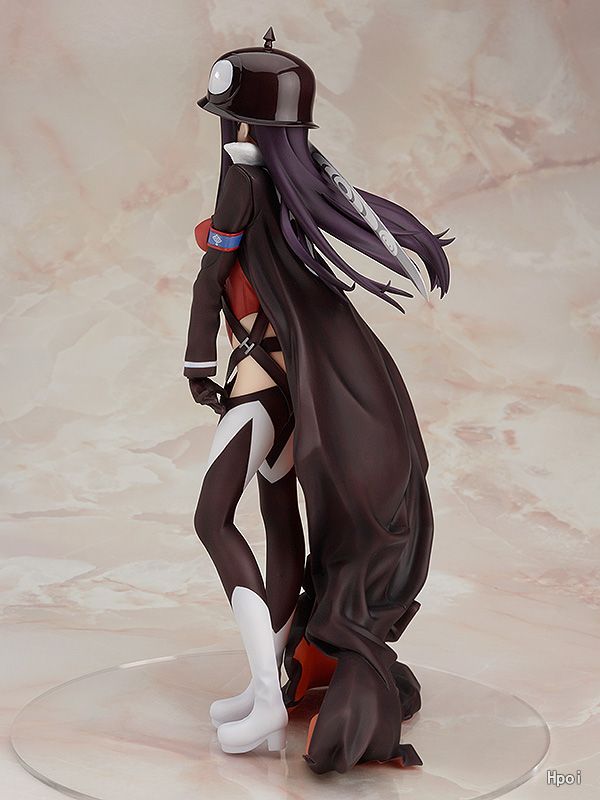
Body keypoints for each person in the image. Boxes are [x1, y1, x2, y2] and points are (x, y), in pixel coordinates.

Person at [183, 28, 453, 773]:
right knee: (280, 528)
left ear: (243, 126)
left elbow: (209, 282)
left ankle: (268, 696)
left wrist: (195, 362)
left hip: (258, 386)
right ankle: (265, 685)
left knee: (212, 516)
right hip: (292, 390)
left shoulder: (243, 181)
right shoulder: (292, 190)